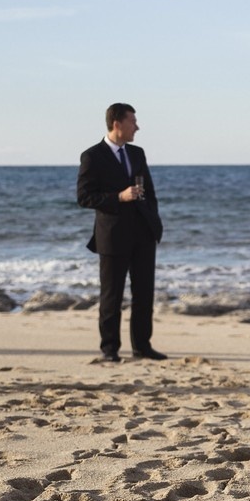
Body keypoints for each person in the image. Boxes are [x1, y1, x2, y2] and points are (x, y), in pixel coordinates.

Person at [77, 103, 165, 362]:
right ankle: (109, 349)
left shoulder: (137, 153)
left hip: (143, 234)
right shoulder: (92, 156)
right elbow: (84, 197)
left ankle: (142, 347)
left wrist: (154, 222)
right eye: (132, 122)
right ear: (117, 124)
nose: (137, 127)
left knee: (144, 295)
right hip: (113, 236)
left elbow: (149, 192)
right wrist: (119, 196)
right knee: (111, 296)